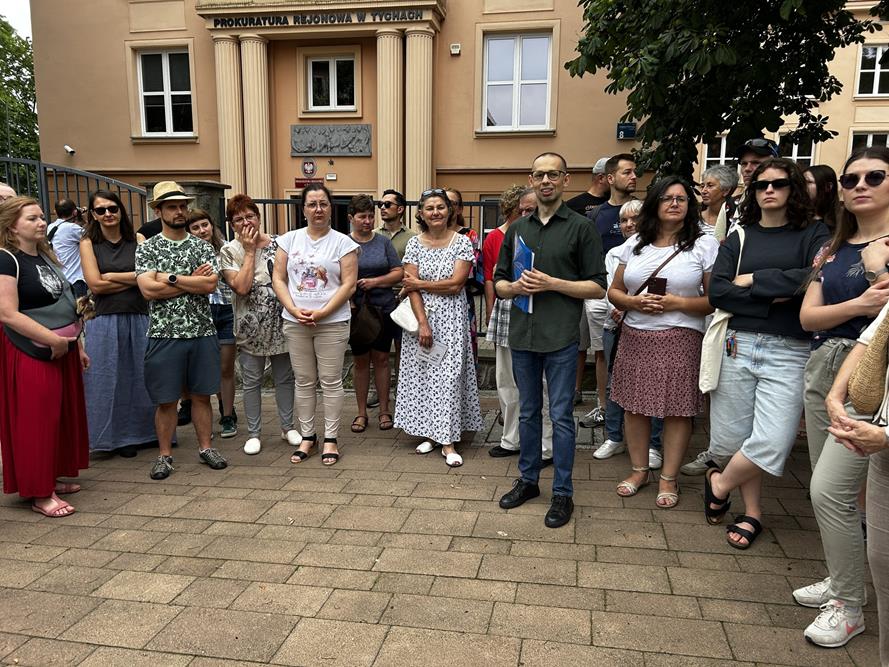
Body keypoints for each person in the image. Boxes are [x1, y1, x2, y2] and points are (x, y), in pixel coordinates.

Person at [703, 158, 830, 548]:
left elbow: (810, 279)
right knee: (734, 438)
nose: (769, 190)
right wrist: (773, 296)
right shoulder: (741, 236)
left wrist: (755, 280)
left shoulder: (814, 233)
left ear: (792, 188)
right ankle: (753, 512)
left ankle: (719, 483)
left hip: (789, 349)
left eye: (778, 183)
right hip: (737, 344)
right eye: (761, 185)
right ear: (753, 191)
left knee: (773, 441)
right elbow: (718, 292)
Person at [793, 147, 889, 648]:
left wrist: (878, 275)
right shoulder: (833, 246)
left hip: (872, 374)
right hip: (824, 364)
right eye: (851, 178)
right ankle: (844, 578)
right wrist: (861, 299)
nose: (860, 185)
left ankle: (850, 606)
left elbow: (885, 318)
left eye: (875, 175)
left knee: (828, 490)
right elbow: (808, 317)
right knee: (832, 492)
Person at [495, 152, 606, 528]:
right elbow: (498, 280)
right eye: (539, 175)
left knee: (560, 416)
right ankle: (528, 480)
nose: (546, 181)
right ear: (532, 178)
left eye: (553, 174)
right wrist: (510, 287)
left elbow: (598, 285)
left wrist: (552, 283)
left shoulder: (581, 228)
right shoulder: (517, 229)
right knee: (527, 412)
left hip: (559, 336)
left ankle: (563, 492)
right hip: (523, 335)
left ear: (565, 180)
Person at [608, 177, 718, 507]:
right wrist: (632, 303)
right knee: (635, 406)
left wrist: (677, 303)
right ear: (655, 202)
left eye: (682, 198)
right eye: (667, 198)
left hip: (681, 336)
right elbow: (615, 291)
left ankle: (668, 477)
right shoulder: (636, 243)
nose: (674, 203)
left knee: (677, 409)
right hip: (635, 335)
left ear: (690, 205)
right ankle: (640, 470)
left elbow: (714, 300)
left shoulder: (703, 245)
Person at [0, 196, 89, 517]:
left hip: (61, 348)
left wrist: (76, 344)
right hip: (32, 350)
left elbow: (65, 301)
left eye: (41, 217)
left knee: (60, 415)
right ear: (12, 225)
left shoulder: (45, 256)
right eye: (32, 219)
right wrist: (52, 340)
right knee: (37, 419)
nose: (41, 223)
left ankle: (48, 476)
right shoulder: (6, 259)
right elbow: (7, 313)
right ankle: (40, 493)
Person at [135, 181, 227, 480]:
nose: (179, 211)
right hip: (164, 333)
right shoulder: (148, 248)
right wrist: (190, 281)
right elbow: (148, 290)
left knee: (202, 395)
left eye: (182, 206)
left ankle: (206, 448)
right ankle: (164, 455)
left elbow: (210, 285)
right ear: (159, 210)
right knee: (166, 399)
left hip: (201, 331)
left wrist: (171, 277)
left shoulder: (201, 245)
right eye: (172, 206)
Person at [393, 188, 483, 467]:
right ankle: (431, 433)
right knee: (424, 376)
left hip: (453, 319)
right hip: (422, 319)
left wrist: (419, 284)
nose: (435, 212)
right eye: (429, 208)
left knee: (448, 377)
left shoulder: (461, 243)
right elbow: (411, 289)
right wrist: (423, 324)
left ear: (451, 211)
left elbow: (457, 284)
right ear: (420, 213)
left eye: (440, 207)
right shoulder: (414, 245)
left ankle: (448, 441)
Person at [273, 183, 358, 466]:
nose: (318, 209)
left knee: (331, 381)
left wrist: (321, 313)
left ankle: (331, 438)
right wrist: (292, 308)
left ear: (331, 207)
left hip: (332, 321)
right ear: (304, 209)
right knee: (305, 380)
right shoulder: (288, 240)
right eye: (312, 204)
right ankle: (308, 436)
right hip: (295, 320)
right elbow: (279, 278)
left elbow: (348, 285)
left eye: (323, 203)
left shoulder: (344, 243)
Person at [823, 301, 889, 664]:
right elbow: (871, 339)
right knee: (882, 562)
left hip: (882, 436)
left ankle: (846, 600)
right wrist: (836, 396)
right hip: (878, 436)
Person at [219, 194, 298, 455]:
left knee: (285, 378)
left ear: (259, 217)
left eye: (250, 216)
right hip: (250, 328)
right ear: (232, 225)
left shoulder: (281, 244)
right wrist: (250, 251)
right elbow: (241, 287)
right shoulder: (229, 251)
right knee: (251, 381)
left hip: (282, 324)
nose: (246, 222)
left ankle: (288, 428)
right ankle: (254, 433)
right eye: (239, 219)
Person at [79, 190, 155, 458]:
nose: (107, 214)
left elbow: (150, 276)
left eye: (112, 208)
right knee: (106, 379)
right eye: (100, 210)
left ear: (121, 210)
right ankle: (110, 438)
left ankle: (143, 434)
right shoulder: (88, 242)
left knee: (140, 377)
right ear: (93, 215)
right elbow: (95, 284)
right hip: (105, 319)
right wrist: (132, 277)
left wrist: (112, 275)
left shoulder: (139, 239)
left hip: (139, 315)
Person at [591, 200, 664, 465]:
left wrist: (630, 307)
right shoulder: (614, 253)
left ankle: (653, 445)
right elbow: (610, 288)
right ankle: (614, 437)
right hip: (616, 326)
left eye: (635, 218)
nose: (629, 224)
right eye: (623, 220)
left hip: (650, 327)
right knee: (614, 382)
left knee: (652, 385)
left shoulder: (660, 250)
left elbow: (659, 289)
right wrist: (618, 306)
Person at [484, 186, 552, 464]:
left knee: (544, 383)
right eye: (521, 210)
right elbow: (493, 277)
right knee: (507, 379)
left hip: (544, 311)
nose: (525, 215)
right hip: (509, 309)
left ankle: (546, 446)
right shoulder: (503, 235)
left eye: (531, 210)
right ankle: (511, 439)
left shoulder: (555, 235)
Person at [577, 154, 637, 410]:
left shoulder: (642, 209)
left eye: (635, 172)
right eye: (627, 172)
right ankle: (603, 406)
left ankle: (632, 407)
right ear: (610, 178)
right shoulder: (597, 214)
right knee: (602, 350)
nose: (634, 176)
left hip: (635, 292)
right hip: (601, 292)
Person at [347, 194, 403, 433]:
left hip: (383, 308)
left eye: (370, 216)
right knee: (360, 362)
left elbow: (398, 272)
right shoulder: (343, 243)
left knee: (381, 359)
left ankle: (384, 410)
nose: (368, 221)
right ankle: (360, 413)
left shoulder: (383, 242)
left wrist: (376, 282)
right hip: (356, 310)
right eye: (362, 217)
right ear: (351, 218)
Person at [187, 208, 237, 439]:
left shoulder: (227, 249)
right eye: (195, 227)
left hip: (227, 310)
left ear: (212, 225)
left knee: (226, 367)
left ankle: (228, 414)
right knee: (207, 367)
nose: (201, 231)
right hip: (202, 312)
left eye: (204, 225)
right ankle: (205, 415)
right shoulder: (188, 253)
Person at [713, 137, 780, 242]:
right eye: (744, 163)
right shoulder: (730, 206)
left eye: (756, 163)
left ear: (774, 165)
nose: (747, 169)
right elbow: (717, 248)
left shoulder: (788, 204)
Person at [445, 187, 482, 365]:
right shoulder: (426, 236)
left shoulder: (469, 236)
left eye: (453, 203)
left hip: (461, 300)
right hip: (433, 301)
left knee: (462, 352)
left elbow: (466, 274)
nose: (448, 207)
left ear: (460, 209)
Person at [48, 199, 88, 299]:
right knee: (81, 312)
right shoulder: (72, 228)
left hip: (60, 280)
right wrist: (85, 219)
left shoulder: (50, 227)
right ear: (74, 212)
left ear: (55, 212)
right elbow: (92, 237)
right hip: (75, 280)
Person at [699, 165, 739, 236]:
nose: (703, 191)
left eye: (710, 186)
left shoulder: (736, 219)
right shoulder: (694, 215)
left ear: (726, 190)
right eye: (702, 186)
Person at [376, 189, 416, 260]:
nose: (382, 207)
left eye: (387, 204)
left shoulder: (413, 238)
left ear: (400, 209)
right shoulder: (373, 235)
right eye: (380, 204)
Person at [804, 164, 841, 230]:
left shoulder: (842, 221)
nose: (803, 185)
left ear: (828, 187)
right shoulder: (797, 216)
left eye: (809, 182)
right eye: (802, 181)